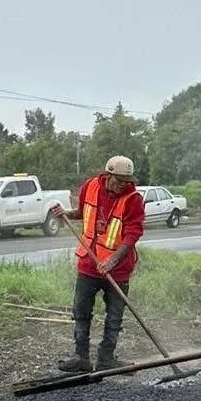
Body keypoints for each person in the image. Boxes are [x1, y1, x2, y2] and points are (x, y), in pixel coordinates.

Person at [49, 155, 145, 373]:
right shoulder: (91, 186)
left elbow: (133, 234)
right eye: (119, 180)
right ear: (107, 175)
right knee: (81, 311)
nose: (123, 185)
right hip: (89, 263)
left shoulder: (133, 199)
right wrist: (65, 214)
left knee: (114, 316)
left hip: (118, 268)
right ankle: (81, 358)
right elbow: (82, 213)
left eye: (126, 181)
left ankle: (106, 358)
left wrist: (112, 260)